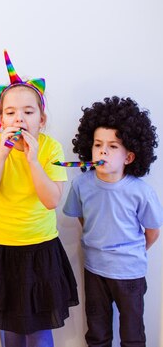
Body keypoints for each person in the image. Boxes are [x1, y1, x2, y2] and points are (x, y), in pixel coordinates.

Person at [0, 51, 78, 347]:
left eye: (28, 112)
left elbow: (51, 201)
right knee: (11, 331)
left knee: (38, 330)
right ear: (1, 118)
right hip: (3, 249)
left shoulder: (50, 148)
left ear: (41, 119)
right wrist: (3, 153)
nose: (19, 117)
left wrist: (33, 161)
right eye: (11, 112)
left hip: (40, 249)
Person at [63, 96, 162, 347]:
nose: (103, 151)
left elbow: (152, 232)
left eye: (113, 146)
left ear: (129, 157)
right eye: (97, 145)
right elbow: (83, 219)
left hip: (130, 274)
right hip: (94, 270)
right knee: (97, 333)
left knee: (132, 335)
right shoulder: (81, 185)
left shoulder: (141, 192)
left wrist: (130, 252)